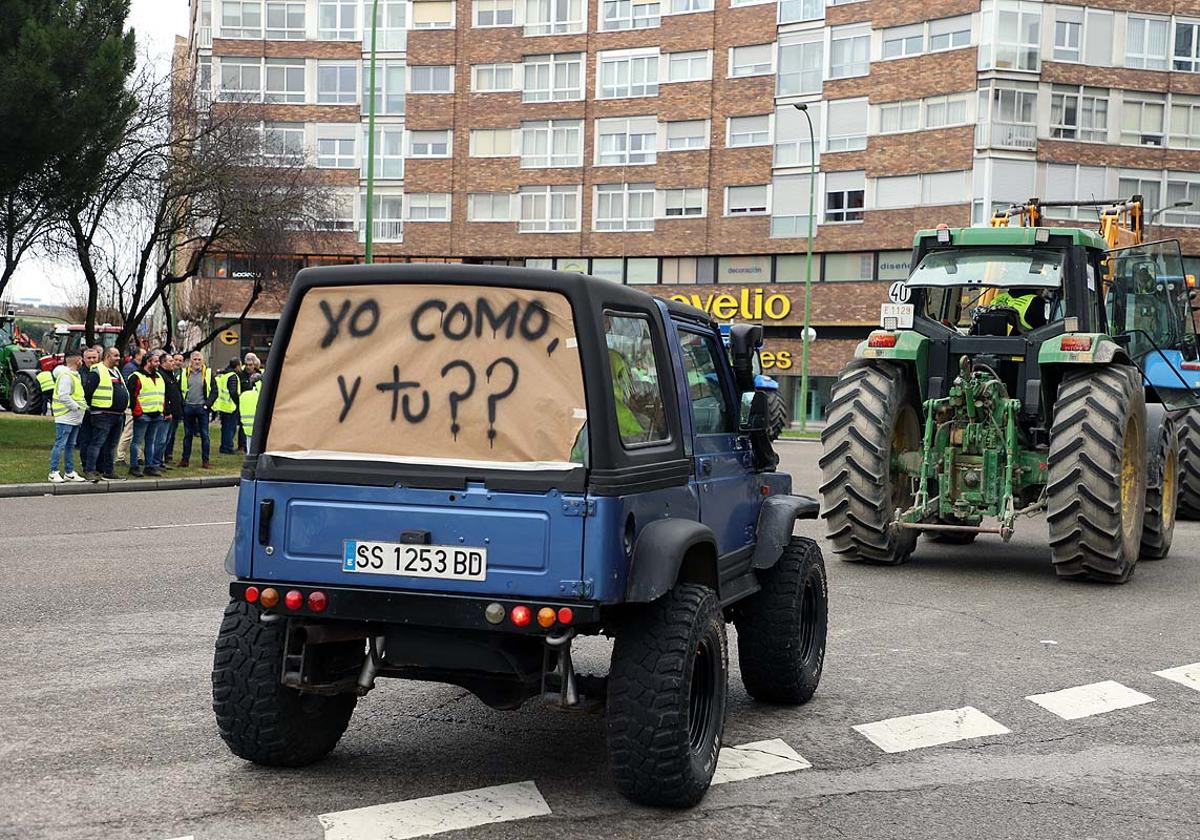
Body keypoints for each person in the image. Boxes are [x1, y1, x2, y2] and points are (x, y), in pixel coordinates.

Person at [82, 346, 129, 481]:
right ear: (107, 356)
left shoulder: (116, 371)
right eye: (116, 355)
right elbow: (88, 392)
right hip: (103, 414)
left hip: (117, 414)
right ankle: (90, 470)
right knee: (97, 443)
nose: (118, 358)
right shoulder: (97, 371)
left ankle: (109, 470)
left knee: (111, 445)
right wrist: (93, 408)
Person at [48, 355, 88, 483]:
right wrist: (76, 407)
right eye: (81, 360)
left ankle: (69, 472)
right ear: (78, 361)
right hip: (66, 416)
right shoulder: (66, 376)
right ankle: (53, 472)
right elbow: (63, 396)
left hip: (74, 417)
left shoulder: (75, 375)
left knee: (70, 445)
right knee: (60, 444)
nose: (82, 362)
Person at [126, 350, 165, 477]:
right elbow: (132, 396)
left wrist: (162, 410)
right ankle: (134, 466)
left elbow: (162, 395)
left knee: (150, 442)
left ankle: (149, 466)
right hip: (143, 414)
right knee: (137, 442)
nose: (158, 364)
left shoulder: (159, 377)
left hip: (156, 413)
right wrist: (138, 412)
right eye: (155, 361)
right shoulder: (136, 376)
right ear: (147, 362)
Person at [180, 351, 216, 468]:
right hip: (188, 407)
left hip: (202, 408)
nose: (197, 362)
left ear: (202, 361)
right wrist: (183, 405)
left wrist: (207, 405)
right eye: (194, 359)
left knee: (205, 435)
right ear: (190, 361)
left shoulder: (208, 373)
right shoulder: (184, 373)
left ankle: (205, 461)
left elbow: (215, 391)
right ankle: (185, 460)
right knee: (187, 435)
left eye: (199, 360)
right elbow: (180, 390)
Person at [116, 347, 145, 465]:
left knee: (137, 433)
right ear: (137, 355)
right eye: (143, 355)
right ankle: (120, 457)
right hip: (131, 405)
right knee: (128, 431)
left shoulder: (137, 368)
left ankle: (139, 456)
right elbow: (129, 387)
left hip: (138, 404)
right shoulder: (130, 368)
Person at [214, 358, 242, 455]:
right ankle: (228, 447)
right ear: (237, 365)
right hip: (230, 406)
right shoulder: (233, 376)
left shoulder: (224, 374)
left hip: (223, 406)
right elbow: (233, 391)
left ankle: (224, 446)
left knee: (225, 428)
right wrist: (238, 402)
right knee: (230, 428)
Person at [161, 352, 184, 467]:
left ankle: (164, 458)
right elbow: (165, 395)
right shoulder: (162, 375)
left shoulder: (171, 374)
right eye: (171, 361)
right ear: (163, 363)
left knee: (170, 436)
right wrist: (168, 411)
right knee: (163, 438)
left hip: (175, 412)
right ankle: (159, 460)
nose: (174, 363)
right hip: (168, 412)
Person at [238, 353, 262, 453]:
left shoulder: (261, 375)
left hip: (257, 406)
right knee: (243, 427)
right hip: (244, 406)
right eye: (247, 364)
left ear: (255, 365)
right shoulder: (241, 375)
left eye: (250, 365)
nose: (248, 367)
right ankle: (242, 446)